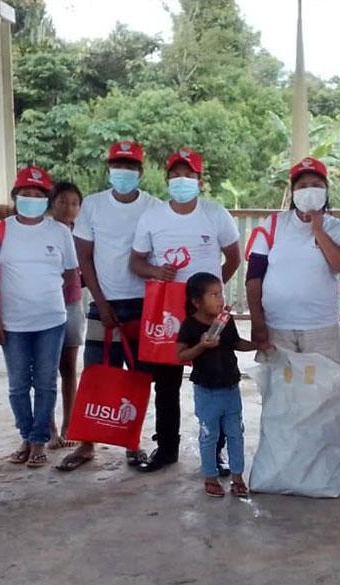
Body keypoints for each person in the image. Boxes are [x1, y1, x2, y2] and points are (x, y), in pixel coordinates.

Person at [129, 147, 241, 473]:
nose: (182, 180)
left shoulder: (216, 214)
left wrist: (212, 295)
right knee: (166, 385)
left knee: (217, 380)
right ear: (167, 179)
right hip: (167, 314)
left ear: (199, 180)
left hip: (209, 315)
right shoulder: (152, 217)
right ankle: (166, 449)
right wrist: (154, 272)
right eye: (176, 175)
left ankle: (216, 453)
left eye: (188, 175)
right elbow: (135, 261)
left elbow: (233, 258)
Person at [57, 141, 160, 472]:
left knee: (139, 378)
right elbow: (83, 257)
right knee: (98, 375)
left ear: (140, 173)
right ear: (109, 170)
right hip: (104, 303)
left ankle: (133, 443)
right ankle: (87, 444)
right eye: (118, 166)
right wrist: (100, 302)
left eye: (130, 167)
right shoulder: (93, 206)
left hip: (144, 304)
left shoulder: (154, 207)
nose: (124, 173)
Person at [0, 166, 79, 468]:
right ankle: (26, 436)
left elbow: (69, 273)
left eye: (39, 195)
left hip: (51, 320)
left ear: (47, 200)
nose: (32, 199)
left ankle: (39, 441)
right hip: (12, 322)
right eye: (26, 194)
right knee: (18, 385)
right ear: (15, 197)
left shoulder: (60, 232)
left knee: (46, 383)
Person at [246, 157, 340, 363]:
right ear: (293, 192)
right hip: (277, 327)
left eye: (316, 185)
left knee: (323, 393)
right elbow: (254, 277)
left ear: (326, 190)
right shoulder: (273, 224)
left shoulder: (338, 228)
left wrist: (318, 230)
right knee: (279, 393)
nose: (309, 191)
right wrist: (257, 322)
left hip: (321, 329)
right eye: (302, 186)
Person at [176, 273, 256, 498]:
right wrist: (201, 345)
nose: (220, 299)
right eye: (213, 294)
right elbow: (180, 356)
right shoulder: (189, 326)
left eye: (220, 293)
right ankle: (210, 477)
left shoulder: (225, 321)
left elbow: (235, 343)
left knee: (236, 433)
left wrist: (257, 345)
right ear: (196, 302)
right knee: (209, 434)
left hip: (231, 387)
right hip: (206, 390)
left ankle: (238, 477)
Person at [48, 181, 85, 450]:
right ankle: (47, 429)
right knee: (45, 372)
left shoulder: (82, 234)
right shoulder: (42, 231)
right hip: (44, 309)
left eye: (74, 203)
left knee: (69, 368)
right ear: (52, 204)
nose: (68, 208)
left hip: (72, 304)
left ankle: (69, 424)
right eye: (62, 202)